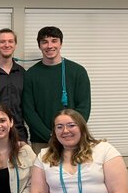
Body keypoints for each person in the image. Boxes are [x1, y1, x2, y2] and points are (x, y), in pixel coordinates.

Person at [23, 26, 91, 154]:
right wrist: (51, 136)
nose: (49, 46)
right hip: (42, 142)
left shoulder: (78, 72)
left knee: (73, 173)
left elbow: (84, 107)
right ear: (39, 46)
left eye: (54, 41)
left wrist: (69, 132)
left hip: (72, 139)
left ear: (61, 44)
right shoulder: (30, 75)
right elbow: (29, 111)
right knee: (41, 174)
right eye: (44, 42)